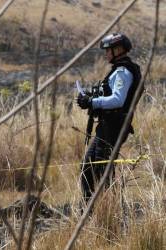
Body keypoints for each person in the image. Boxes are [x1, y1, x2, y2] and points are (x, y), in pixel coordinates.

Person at [76, 33, 141, 206]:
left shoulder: (123, 71)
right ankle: (89, 210)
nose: (106, 54)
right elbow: (111, 95)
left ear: (118, 50)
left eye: (108, 50)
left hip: (114, 128)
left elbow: (118, 100)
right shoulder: (119, 69)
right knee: (88, 168)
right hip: (107, 127)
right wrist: (91, 96)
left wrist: (92, 101)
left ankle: (109, 214)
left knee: (101, 172)